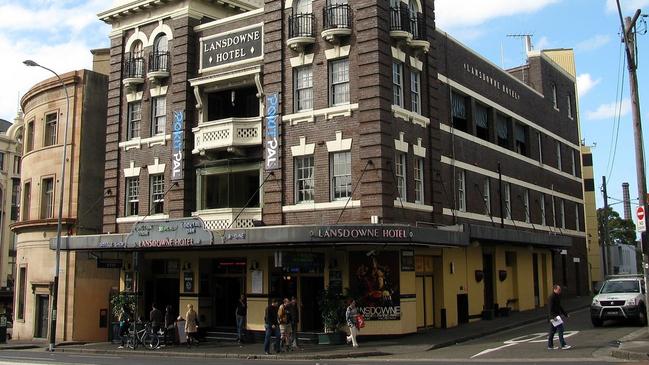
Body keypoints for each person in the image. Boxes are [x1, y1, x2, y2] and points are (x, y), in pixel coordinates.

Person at [547, 284, 571, 350]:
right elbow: (550, 308)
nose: (560, 291)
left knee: (552, 331)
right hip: (554, 317)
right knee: (561, 330)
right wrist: (552, 317)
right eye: (559, 289)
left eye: (560, 289)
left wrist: (565, 314)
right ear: (555, 289)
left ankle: (550, 345)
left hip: (556, 316)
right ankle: (563, 345)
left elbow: (560, 307)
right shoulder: (551, 297)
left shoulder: (557, 296)